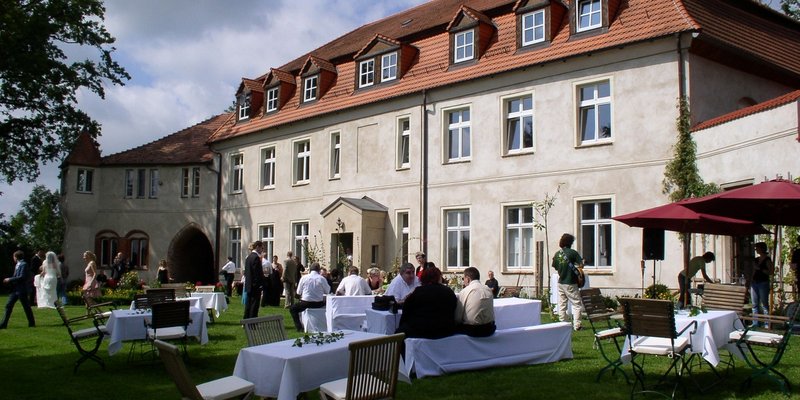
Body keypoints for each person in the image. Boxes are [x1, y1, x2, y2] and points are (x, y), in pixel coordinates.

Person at [397, 266, 457, 339]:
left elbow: (406, 311)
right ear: (439, 278)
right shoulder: (449, 291)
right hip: (446, 330)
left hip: (422, 331)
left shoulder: (419, 291)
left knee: (399, 333)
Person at [552, 233, 584, 331]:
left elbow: (556, 267)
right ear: (570, 242)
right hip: (570, 282)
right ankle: (577, 325)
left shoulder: (557, 254)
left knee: (562, 304)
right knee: (577, 304)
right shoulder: (573, 253)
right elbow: (581, 265)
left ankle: (563, 323)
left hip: (561, 282)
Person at [455, 267, 496, 337]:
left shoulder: (464, 291)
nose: (463, 281)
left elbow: (458, 317)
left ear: (467, 279)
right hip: (490, 328)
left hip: (473, 330)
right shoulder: (488, 289)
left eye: (463, 279)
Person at [289, 262, 330, 332]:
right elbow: (327, 291)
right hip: (318, 303)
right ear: (319, 270)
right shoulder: (322, 279)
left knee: (293, 309)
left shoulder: (304, 278)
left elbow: (298, 292)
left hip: (305, 302)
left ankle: (299, 327)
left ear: (310, 269)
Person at [0, 250, 36, 329]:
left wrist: (9, 279)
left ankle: (32, 323)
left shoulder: (23, 264)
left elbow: (22, 277)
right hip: (15, 289)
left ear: (15, 257)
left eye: (13, 257)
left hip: (21, 289)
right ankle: (3, 324)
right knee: (8, 305)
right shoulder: (18, 265)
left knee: (26, 307)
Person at [751, 242, 773, 324]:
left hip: (763, 282)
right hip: (755, 282)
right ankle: (755, 323)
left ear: (762, 249)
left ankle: (767, 323)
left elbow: (770, 272)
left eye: (757, 248)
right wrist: (751, 280)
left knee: (764, 303)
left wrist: (760, 268)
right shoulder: (756, 260)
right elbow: (754, 271)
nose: (756, 249)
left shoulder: (767, 259)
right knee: (754, 304)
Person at [243, 241, 265, 319]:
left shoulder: (248, 257)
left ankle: (246, 320)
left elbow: (246, 272)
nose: (262, 250)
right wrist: (259, 285)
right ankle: (252, 322)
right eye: (261, 248)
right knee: (254, 305)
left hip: (249, 284)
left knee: (248, 304)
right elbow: (256, 273)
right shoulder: (256, 258)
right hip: (255, 286)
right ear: (257, 247)